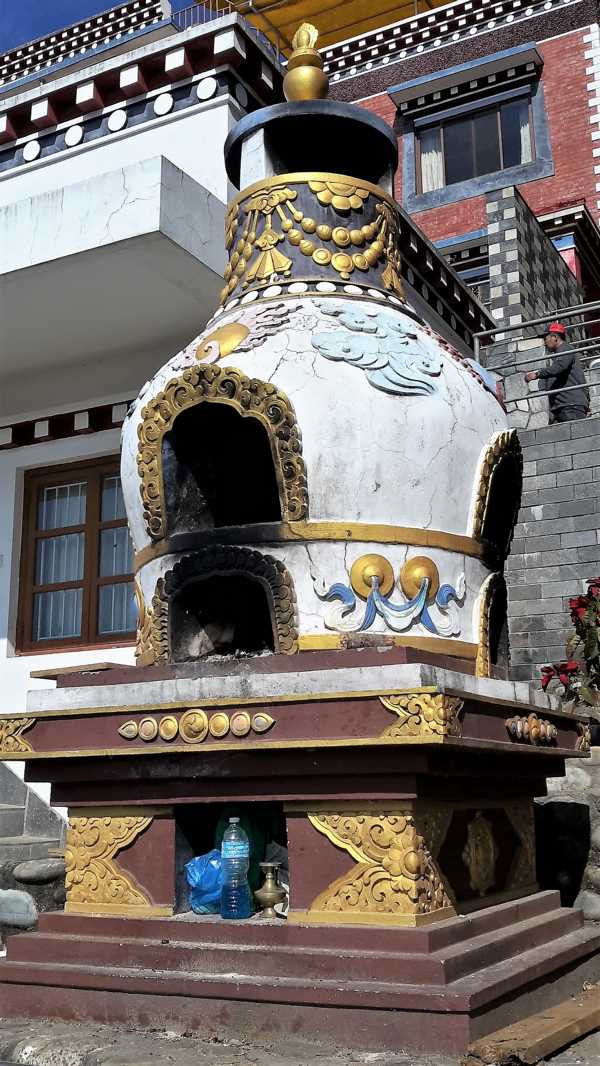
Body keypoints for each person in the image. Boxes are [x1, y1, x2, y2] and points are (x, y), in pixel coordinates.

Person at [524, 321, 590, 423]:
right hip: (565, 407)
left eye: (545, 338)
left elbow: (559, 367)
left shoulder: (566, 349)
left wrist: (537, 374)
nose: (544, 342)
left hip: (570, 407)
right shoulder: (561, 354)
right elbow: (582, 381)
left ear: (554, 337)